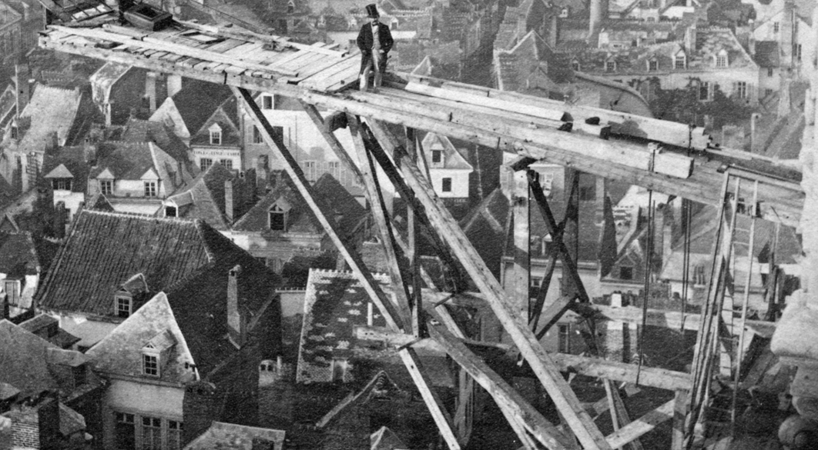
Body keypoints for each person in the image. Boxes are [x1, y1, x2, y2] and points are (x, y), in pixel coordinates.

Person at [357, 4, 393, 92]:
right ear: (369, 18)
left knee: (378, 71)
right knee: (365, 70)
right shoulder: (365, 27)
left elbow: (390, 41)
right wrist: (363, 49)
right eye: (372, 17)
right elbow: (359, 40)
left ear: (378, 17)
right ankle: (363, 89)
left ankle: (376, 89)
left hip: (379, 52)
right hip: (368, 53)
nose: (374, 19)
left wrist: (384, 50)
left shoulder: (384, 27)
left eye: (376, 17)